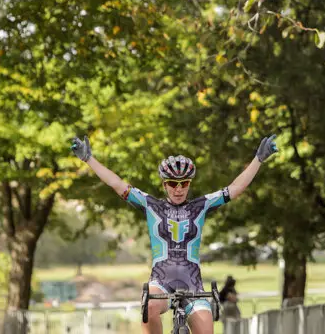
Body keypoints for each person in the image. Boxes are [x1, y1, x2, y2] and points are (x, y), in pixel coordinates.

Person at [71, 133, 278, 334]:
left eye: (184, 183)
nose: (178, 189)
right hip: (161, 282)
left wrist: (258, 160)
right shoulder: (150, 205)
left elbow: (236, 188)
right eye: (172, 183)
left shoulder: (202, 205)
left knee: (207, 329)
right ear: (164, 184)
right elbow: (117, 184)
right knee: (149, 307)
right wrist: (89, 159)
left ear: (189, 184)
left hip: (193, 284)